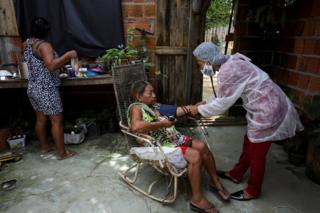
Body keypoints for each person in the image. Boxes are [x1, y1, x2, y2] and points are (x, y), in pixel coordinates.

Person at [189, 42, 304, 201]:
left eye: (200, 63)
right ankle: (236, 174)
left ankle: (253, 190)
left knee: (257, 151)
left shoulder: (228, 71)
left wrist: (198, 110)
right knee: (249, 141)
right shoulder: (230, 63)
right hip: (263, 105)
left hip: (269, 108)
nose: (200, 67)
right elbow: (224, 94)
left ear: (209, 60)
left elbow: (223, 104)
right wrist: (206, 103)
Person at [129, 80, 230, 213]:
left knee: (202, 146)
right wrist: (162, 124)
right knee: (195, 155)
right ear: (138, 96)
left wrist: (193, 107)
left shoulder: (155, 106)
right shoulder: (137, 107)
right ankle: (197, 200)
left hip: (172, 138)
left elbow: (176, 110)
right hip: (158, 145)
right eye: (150, 92)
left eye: (153, 92)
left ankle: (214, 181)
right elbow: (135, 126)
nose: (154, 95)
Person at [23, 17, 77, 160]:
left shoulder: (27, 43)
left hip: (33, 88)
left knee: (41, 119)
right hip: (46, 89)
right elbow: (51, 65)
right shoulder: (45, 46)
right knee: (56, 121)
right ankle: (62, 153)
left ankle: (44, 146)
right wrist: (67, 56)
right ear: (47, 31)